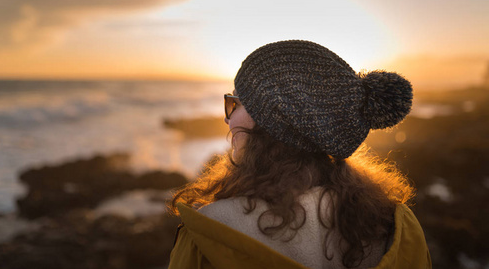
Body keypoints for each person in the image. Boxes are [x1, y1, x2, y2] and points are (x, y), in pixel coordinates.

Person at [168, 40, 431, 269]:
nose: (228, 119)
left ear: (271, 121)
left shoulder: (210, 232)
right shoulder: (396, 229)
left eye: (234, 102)